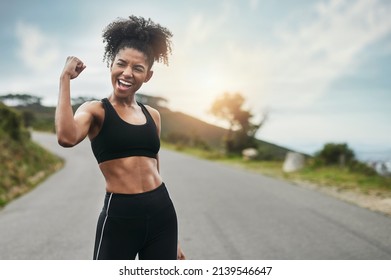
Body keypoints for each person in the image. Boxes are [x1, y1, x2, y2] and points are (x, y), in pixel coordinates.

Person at [55, 15, 185, 260]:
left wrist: (171, 241)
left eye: (137, 68)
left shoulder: (153, 115)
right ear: (111, 65)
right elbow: (66, 137)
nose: (127, 73)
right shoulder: (96, 111)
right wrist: (65, 80)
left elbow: (154, 167)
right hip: (120, 217)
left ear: (148, 76)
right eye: (121, 64)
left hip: (163, 214)